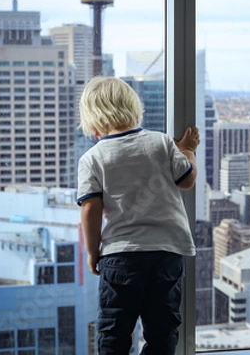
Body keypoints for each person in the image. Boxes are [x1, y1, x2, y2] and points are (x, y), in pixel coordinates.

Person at [76, 76, 199, 355]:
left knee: (114, 331)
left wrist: (92, 251)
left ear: (94, 122)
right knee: (162, 331)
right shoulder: (161, 143)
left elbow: (91, 209)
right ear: (135, 109)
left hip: (121, 257)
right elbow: (187, 180)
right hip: (166, 252)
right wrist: (188, 150)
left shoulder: (92, 158)